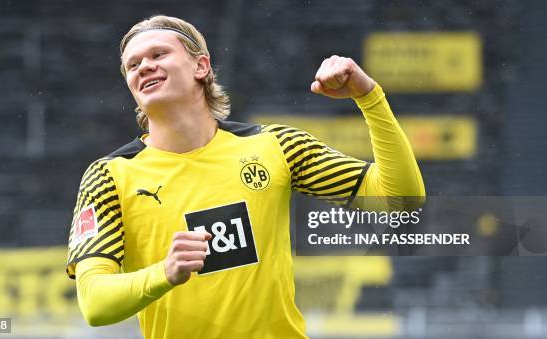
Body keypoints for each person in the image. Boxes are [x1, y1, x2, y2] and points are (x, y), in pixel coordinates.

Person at [66, 15, 424, 339]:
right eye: (132, 65)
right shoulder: (109, 176)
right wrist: (165, 272)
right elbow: (95, 304)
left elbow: (399, 199)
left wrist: (368, 97)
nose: (144, 67)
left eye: (158, 55)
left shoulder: (277, 146)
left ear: (201, 66)